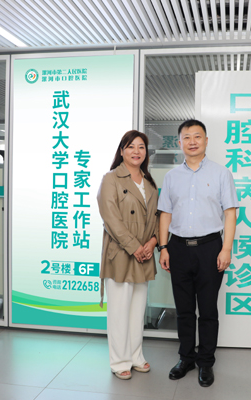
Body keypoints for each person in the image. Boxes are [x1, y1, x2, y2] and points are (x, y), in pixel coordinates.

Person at [157, 119, 238, 387]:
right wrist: (164, 247)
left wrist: (226, 248)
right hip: (178, 248)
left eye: (197, 136)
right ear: (179, 142)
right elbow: (165, 214)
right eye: (187, 137)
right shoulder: (171, 177)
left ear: (206, 141)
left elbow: (230, 213)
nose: (192, 141)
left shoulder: (221, 173)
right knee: (183, 310)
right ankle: (186, 358)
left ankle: (205, 362)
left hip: (210, 248)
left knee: (207, 309)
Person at [97, 130, 159, 380]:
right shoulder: (111, 179)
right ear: (122, 151)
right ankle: (119, 360)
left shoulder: (149, 182)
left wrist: (152, 242)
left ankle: (135, 356)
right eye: (131, 146)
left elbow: (158, 217)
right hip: (122, 253)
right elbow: (110, 217)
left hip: (144, 253)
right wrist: (134, 247)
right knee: (119, 310)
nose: (136, 151)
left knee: (137, 309)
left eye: (141, 147)